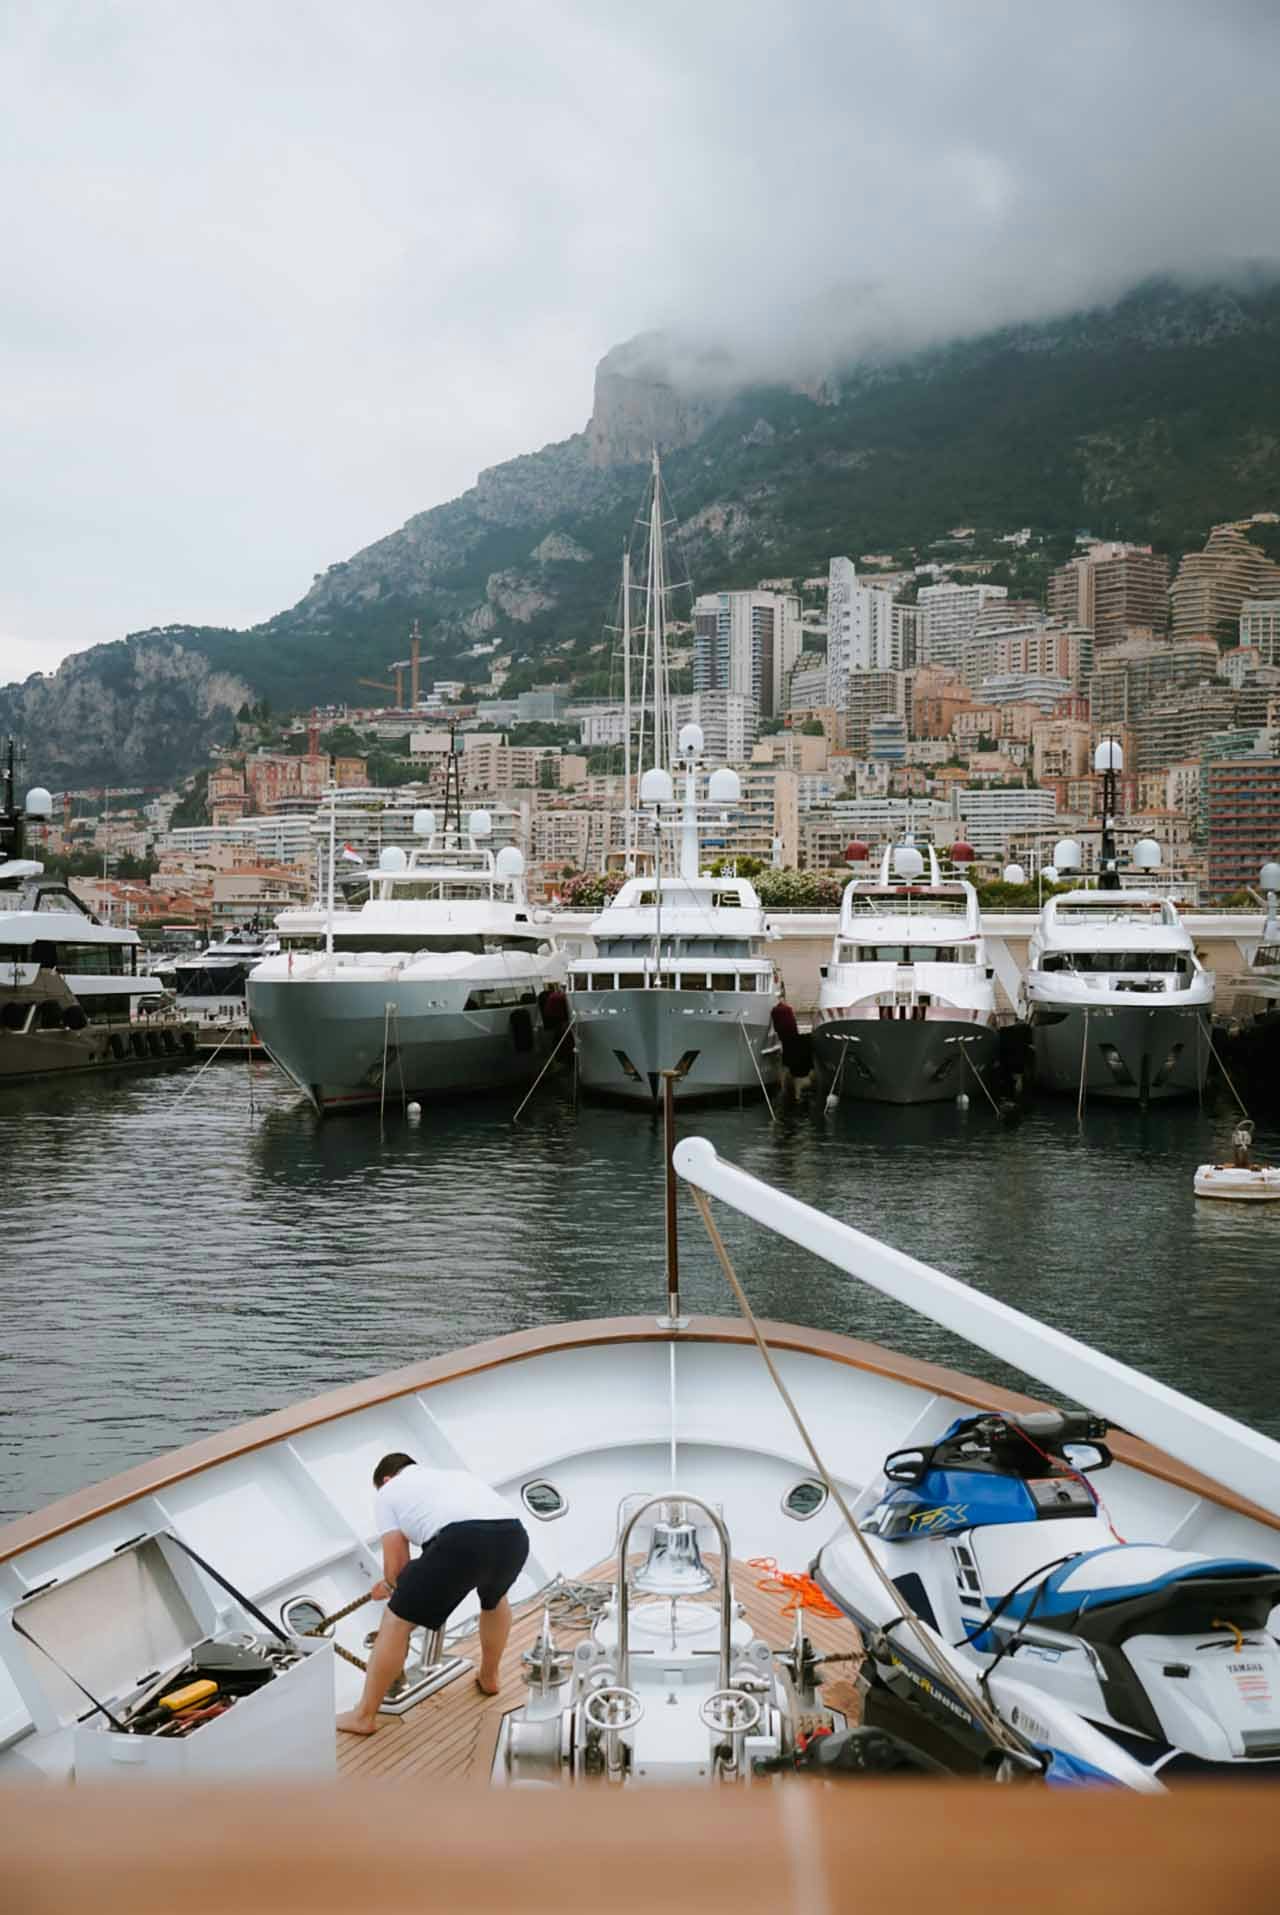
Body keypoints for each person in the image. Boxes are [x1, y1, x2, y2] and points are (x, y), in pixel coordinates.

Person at [335, 1453, 530, 1736]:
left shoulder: (388, 1492)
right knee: (495, 1599)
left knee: (396, 1621)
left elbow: (397, 1566)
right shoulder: (454, 1476)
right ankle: (489, 1676)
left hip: (463, 1540)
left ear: (386, 1479)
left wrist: (389, 1585)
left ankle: (364, 1715)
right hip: (512, 1535)